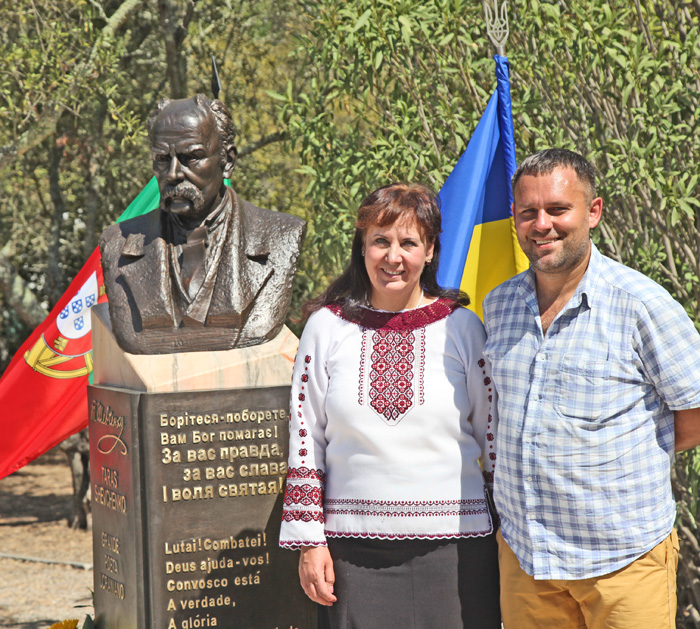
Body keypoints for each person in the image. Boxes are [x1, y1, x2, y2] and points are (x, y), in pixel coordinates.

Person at [482, 148, 700, 628]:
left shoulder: (642, 305)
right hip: (526, 560)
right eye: (528, 213)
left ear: (593, 211)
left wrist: (638, 452)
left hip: (623, 564)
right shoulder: (498, 306)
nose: (542, 225)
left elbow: (694, 414)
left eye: (558, 210)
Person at [279, 182, 500, 628]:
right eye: (380, 241)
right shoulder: (325, 328)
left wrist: (510, 537)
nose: (393, 256)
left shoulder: (463, 329)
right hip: (352, 557)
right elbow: (305, 439)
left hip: (457, 554)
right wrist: (309, 541)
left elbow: (492, 441)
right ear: (362, 247)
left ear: (431, 250)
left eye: (408, 242)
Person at [99, 94, 306, 354]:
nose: (173, 174)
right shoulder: (118, 242)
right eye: (163, 159)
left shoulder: (281, 235)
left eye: (191, 157)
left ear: (228, 161)